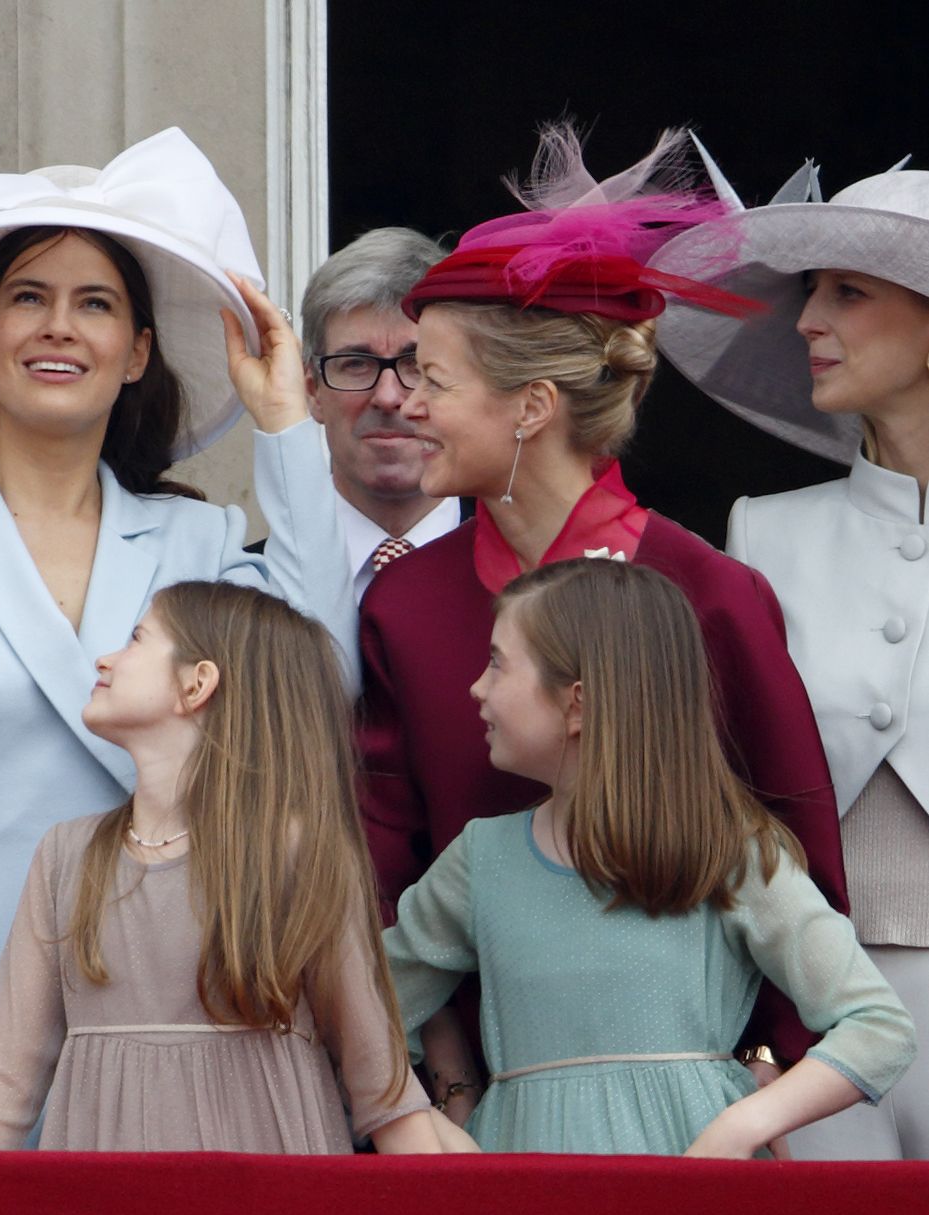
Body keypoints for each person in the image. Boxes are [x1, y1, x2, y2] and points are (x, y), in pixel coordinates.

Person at [0, 128, 354, 1148]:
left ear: (138, 351)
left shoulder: (198, 537)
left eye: (95, 303)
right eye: (27, 297)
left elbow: (317, 685)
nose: (59, 327)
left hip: (167, 1030)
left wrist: (284, 427)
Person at [356, 126, 847, 1128]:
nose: (399, 405)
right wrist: (436, 1087)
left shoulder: (704, 589)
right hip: (481, 1114)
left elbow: (796, 851)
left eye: (431, 379)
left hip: (687, 1109)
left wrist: (764, 1077)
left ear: (530, 406)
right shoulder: (401, 603)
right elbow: (381, 872)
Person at [385, 558, 914, 1156]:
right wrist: (432, 1133)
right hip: (525, 1205)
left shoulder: (728, 852)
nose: (477, 687)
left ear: (577, 703)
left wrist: (742, 1126)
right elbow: (371, 1015)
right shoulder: (482, 861)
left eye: (497, 663)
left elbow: (878, 1028)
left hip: (693, 1205)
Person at [0, 581, 439, 1153]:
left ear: (196, 684)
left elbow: (381, 1080)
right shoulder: (65, 856)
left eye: (136, 639)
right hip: (107, 1206)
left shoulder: (297, 854)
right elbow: (0, 1077)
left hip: (269, 1209)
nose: (105, 658)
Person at [652, 159, 929, 1159]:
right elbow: (727, 785)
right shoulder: (761, 533)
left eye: (847, 291)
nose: (807, 319)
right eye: (808, 290)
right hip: (818, 1010)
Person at [299, 227, 464, 600]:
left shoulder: (527, 577)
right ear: (312, 390)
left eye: (417, 364)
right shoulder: (250, 584)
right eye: (356, 363)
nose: (388, 397)